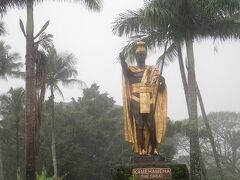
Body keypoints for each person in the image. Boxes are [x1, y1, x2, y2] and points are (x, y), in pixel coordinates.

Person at [120, 41, 167, 155]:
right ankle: (142, 149)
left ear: (145, 56)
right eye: (139, 54)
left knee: (151, 125)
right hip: (135, 98)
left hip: (149, 98)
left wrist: (162, 81)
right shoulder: (131, 70)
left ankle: (154, 148)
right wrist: (122, 61)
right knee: (139, 125)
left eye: (143, 54)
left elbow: (160, 88)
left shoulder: (152, 70)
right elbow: (125, 70)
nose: (141, 56)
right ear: (135, 56)